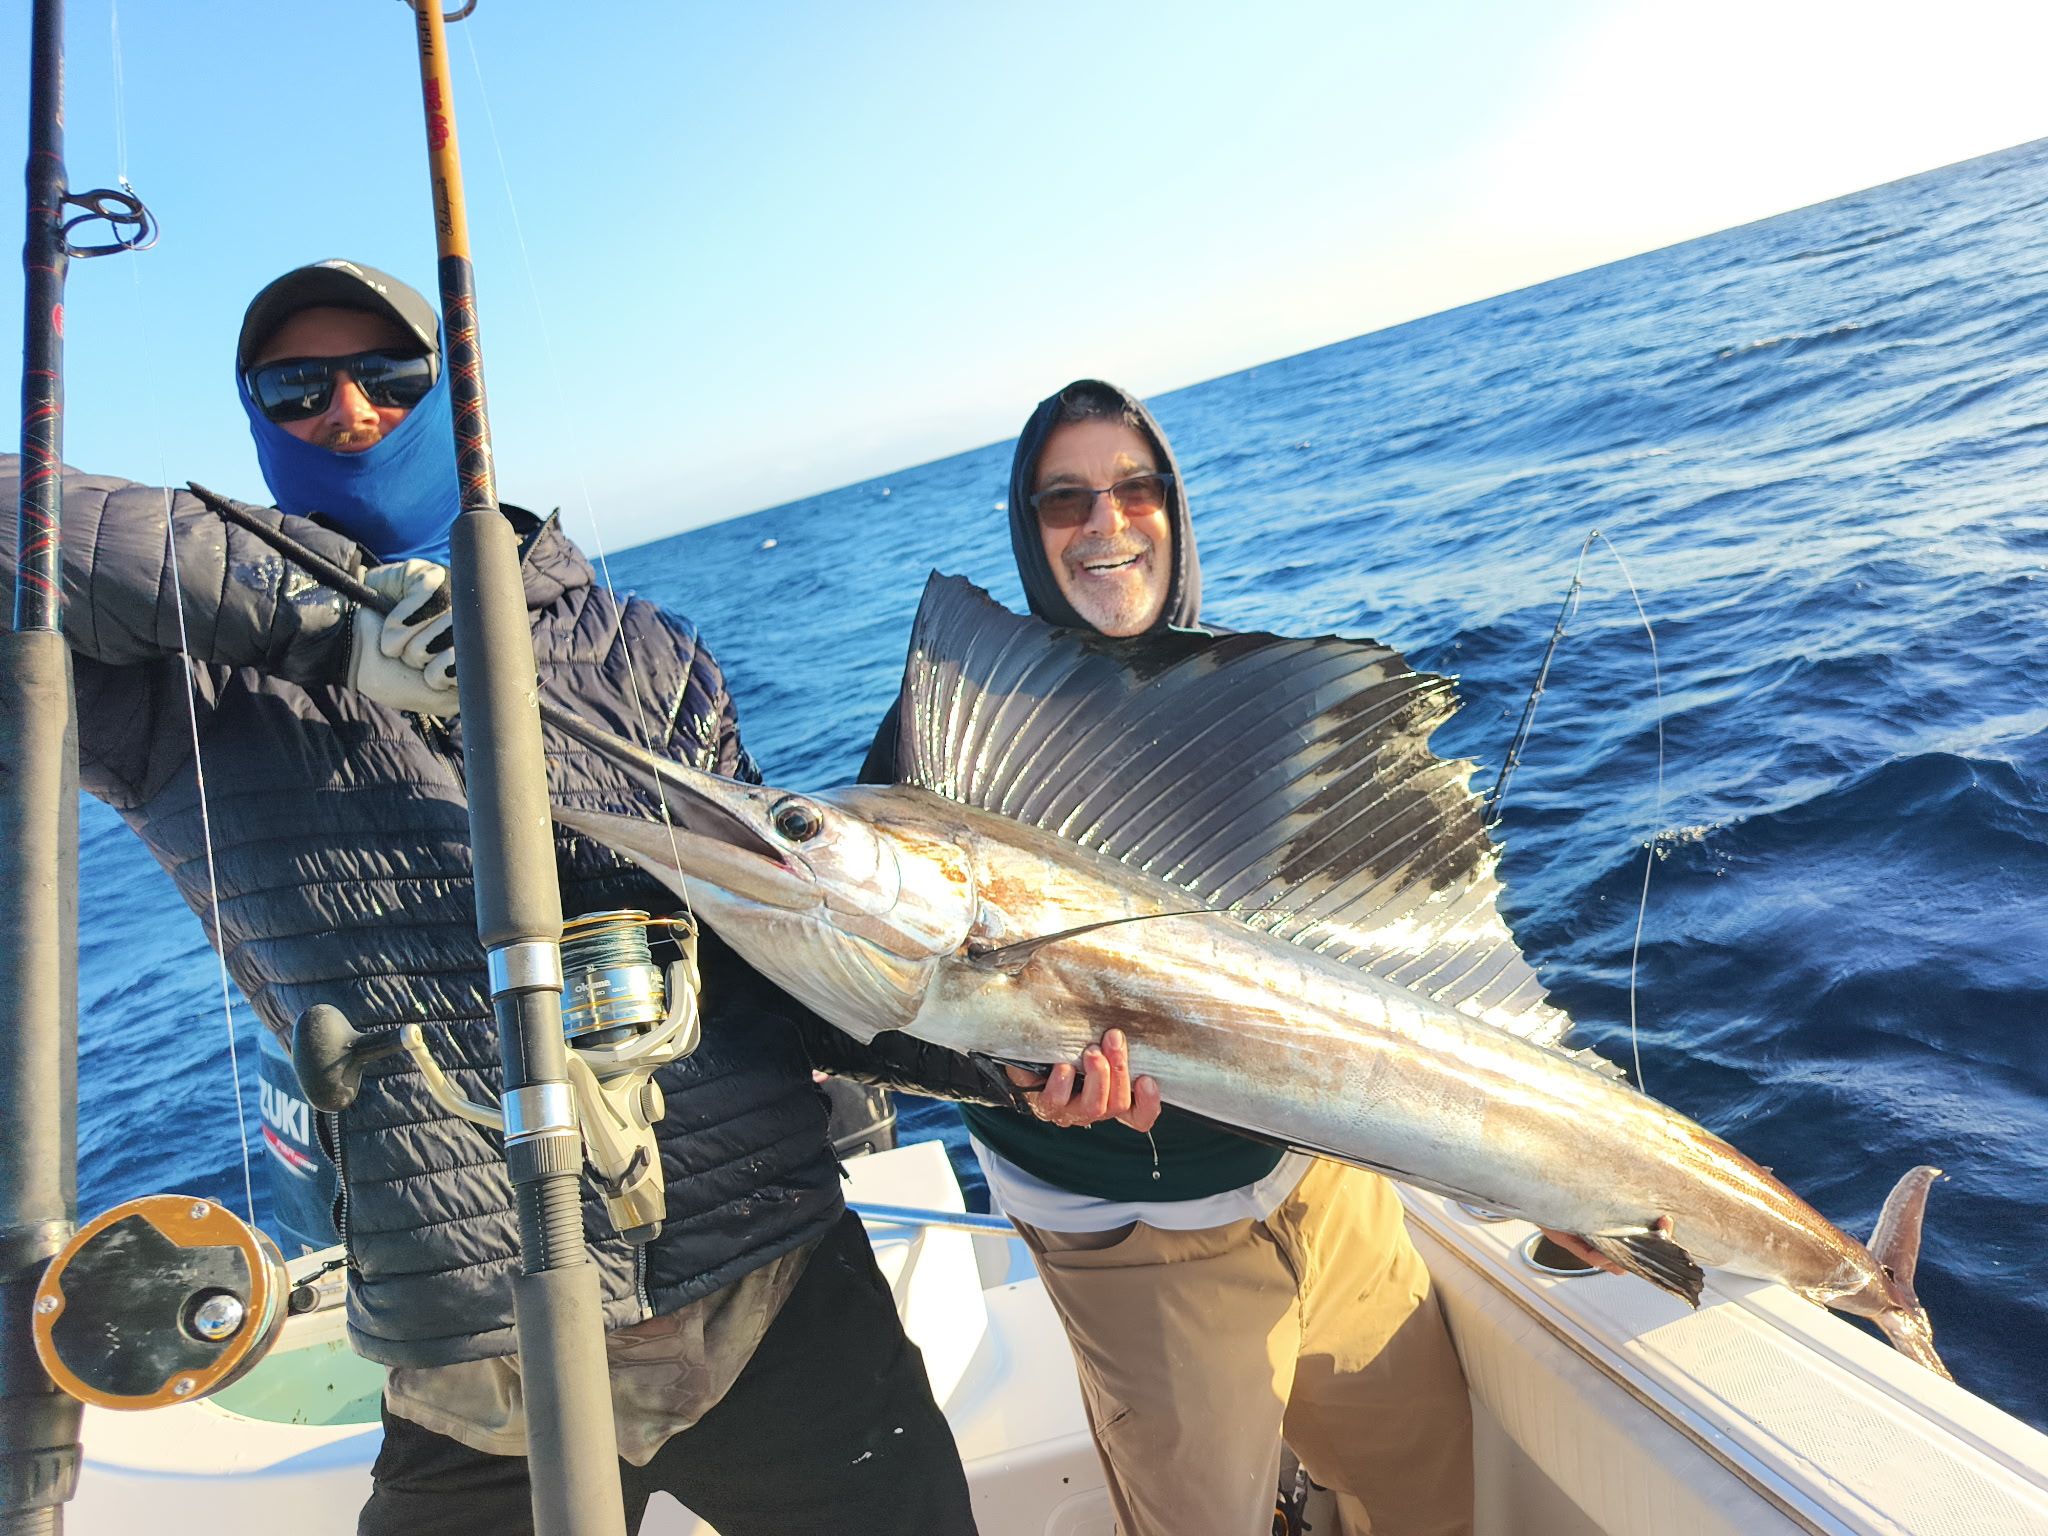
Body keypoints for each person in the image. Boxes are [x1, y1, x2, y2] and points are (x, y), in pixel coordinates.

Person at [0, 262, 1138, 1535]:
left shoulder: (643, 652)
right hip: (472, 1355)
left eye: (390, 375)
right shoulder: (192, 692)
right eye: (298, 387)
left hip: (767, 1291)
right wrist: (322, 620)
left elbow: (785, 969)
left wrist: (1011, 1058)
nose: (352, 411)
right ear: (257, 419)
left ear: (454, 396)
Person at [862, 379, 1477, 1536]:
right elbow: (880, 1008)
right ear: (1027, 527)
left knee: (1429, 1487)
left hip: (1324, 1181)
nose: (1105, 523)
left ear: (1172, 508)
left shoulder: (1241, 703)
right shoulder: (941, 736)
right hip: (1137, 1235)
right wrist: (1013, 1081)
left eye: (1133, 487)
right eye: (1065, 499)